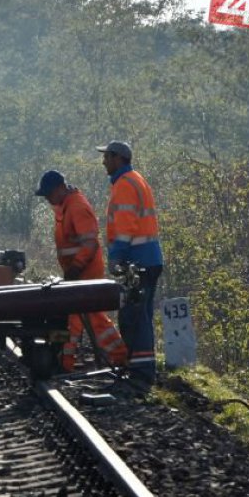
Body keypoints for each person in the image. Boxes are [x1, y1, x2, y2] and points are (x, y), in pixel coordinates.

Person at [34, 170, 127, 372]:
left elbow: (90, 243)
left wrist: (76, 267)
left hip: (86, 272)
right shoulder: (64, 207)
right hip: (77, 273)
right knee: (77, 318)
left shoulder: (77, 207)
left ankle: (117, 357)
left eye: (49, 194)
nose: (48, 199)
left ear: (60, 189)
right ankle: (66, 361)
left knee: (84, 319)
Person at [97, 140, 164, 389]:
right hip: (148, 257)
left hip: (137, 260)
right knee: (141, 315)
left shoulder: (125, 185)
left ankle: (142, 374)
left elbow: (126, 227)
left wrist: (117, 255)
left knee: (134, 316)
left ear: (118, 158)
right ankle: (142, 370)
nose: (103, 161)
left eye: (107, 157)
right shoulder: (136, 179)